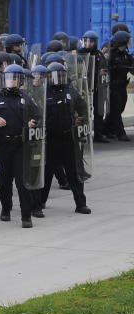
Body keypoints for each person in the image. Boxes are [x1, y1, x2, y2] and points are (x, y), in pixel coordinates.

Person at [0, 64, 40, 228]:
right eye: (8, 77)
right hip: (1, 145)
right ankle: (6, 209)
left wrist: (33, 122)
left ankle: (26, 216)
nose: (11, 81)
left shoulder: (26, 98)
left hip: (19, 145)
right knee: (4, 182)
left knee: (22, 183)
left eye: (14, 78)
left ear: (20, 80)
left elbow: (37, 115)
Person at [38, 63, 91, 215]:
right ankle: (40, 202)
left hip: (69, 138)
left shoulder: (71, 92)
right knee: (47, 173)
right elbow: (36, 112)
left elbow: (83, 107)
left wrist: (81, 118)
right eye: (54, 76)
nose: (57, 79)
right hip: (51, 140)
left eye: (60, 75)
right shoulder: (44, 92)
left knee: (74, 173)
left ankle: (81, 204)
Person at [105, 30, 132, 141]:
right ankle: (121, 133)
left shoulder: (126, 55)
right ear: (122, 41)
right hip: (113, 87)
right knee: (116, 109)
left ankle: (106, 128)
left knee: (120, 108)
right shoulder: (111, 55)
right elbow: (106, 69)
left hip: (122, 87)